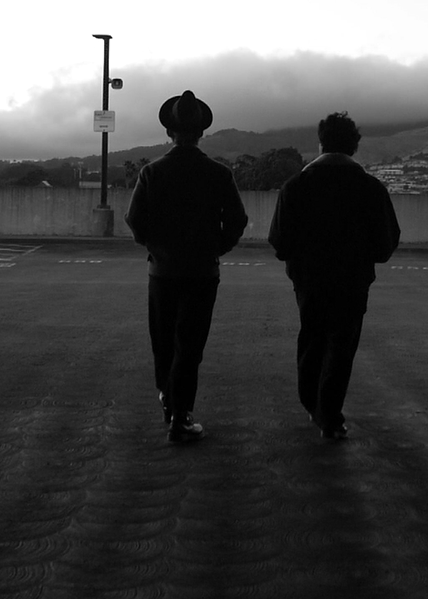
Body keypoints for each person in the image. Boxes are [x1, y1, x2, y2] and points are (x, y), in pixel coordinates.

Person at [124, 90, 249, 443]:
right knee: (190, 344)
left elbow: (135, 220)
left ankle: (167, 398)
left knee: (162, 341)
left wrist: (154, 247)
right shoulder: (218, 174)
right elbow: (237, 221)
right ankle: (181, 414)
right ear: (202, 133)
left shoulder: (152, 172)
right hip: (202, 273)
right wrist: (216, 249)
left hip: (162, 272)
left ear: (169, 133)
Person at [268, 112, 400, 440]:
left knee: (312, 338)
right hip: (353, 281)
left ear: (320, 143)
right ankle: (330, 414)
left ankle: (311, 403)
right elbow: (385, 243)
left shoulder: (295, 187)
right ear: (354, 147)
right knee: (342, 344)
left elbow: (280, 242)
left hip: (309, 280)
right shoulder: (370, 188)